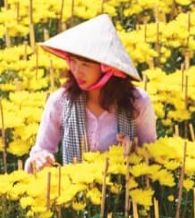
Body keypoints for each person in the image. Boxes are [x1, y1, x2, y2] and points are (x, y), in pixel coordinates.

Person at [25, 13, 157, 173]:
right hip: (75, 193)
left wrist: (134, 151)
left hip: (125, 193)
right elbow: (39, 151)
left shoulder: (138, 102)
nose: (76, 71)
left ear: (107, 68)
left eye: (85, 64)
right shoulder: (60, 101)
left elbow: (152, 158)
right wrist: (40, 160)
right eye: (72, 61)